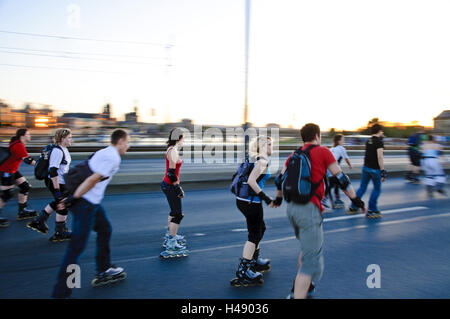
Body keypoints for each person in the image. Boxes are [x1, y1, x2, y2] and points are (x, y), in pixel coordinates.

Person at [274, 123, 365, 299]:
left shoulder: (294, 154)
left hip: (292, 209)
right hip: (309, 210)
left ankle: (306, 287)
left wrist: (278, 199)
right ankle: (297, 292)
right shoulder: (322, 151)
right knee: (310, 261)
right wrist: (356, 200)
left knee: (307, 249)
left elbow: (279, 180)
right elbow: (341, 179)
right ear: (317, 136)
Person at [52, 129, 130, 299]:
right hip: (85, 204)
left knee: (105, 229)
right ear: (121, 141)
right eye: (127, 142)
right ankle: (60, 293)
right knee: (76, 248)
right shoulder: (113, 157)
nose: (128, 146)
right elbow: (92, 179)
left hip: (91, 203)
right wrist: (73, 198)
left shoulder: (104, 151)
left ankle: (104, 268)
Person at [230, 136, 281, 287]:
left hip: (243, 200)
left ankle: (254, 261)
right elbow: (252, 181)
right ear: (263, 146)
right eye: (270, 144)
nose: (272, 147)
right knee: (254, 234)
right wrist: (265, 198)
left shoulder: (254, 158)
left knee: (260, 229)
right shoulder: (262, 161)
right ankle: (244, 271)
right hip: (252, 202)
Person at [27, 129, 73, 242]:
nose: (71, 139)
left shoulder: (64, 149)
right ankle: (59, 232)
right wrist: (57, 190)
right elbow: (53, 171)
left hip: (62, 181)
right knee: (63, 203)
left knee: (60, 202)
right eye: (69, 137)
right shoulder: (57, 151)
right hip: (56, 182)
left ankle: (39, 221)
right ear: (62, 139)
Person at [160, 128, 189, 258]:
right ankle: (172, 242)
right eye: (183, 138)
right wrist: (178, 188)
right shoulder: (172, 151)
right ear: (178, 139)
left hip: (169, 185)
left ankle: (170, 236)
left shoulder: (172, 149)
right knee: (178, 214)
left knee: (173, 212)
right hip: (170, 185)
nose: (184, 141)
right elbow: (171, 174)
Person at [0, 129, 38, 227]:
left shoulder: (17, 143)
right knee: (7, 194)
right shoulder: (18, 145)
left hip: (12, 170)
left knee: (25, 187)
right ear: (22, 136)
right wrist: (42, 166)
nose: (30, 136)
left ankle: (22, 210)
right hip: (6, 171)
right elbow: (28, 160)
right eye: (28, 134)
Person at [348, 124, 386, 218]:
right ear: (379, 131)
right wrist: (382, 171)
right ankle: (372, 210)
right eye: (382, 131)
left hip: (366, 168)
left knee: (362, 187)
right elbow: (380, 157)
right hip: (375, 169)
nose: (382, 133)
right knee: (377, 189)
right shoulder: (379, 142)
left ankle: (354, 206)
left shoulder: (368, 141)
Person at [322, 134, 352, 209]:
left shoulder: (332, 148)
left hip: (327, 168)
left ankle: (336, 199)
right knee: (335, 184)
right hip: (333, 169)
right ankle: (324, 200)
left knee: (335, 183)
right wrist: (350, 165)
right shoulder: (341, 148)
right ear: (339, 141)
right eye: (343, 140)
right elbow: (346, 158)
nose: (343, 141)